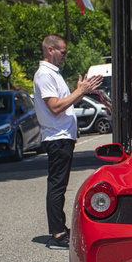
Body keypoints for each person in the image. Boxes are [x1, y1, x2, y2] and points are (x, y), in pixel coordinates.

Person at [33, 34, 103, 249]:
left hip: (62, 137)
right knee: (56, 186)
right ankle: (57, 234)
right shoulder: (44, 75)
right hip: (57, 138)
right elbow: (55, 107)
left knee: (59, 185)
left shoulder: (53, 73)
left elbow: (64, 102)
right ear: (50, 50)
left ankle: (59, 229)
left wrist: (81, 93)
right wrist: (80, 91)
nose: (65, 56)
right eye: (62, 52)